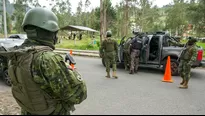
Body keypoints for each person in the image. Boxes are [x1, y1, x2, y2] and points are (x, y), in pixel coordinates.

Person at [2, 8, 87, 115]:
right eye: (55, 32)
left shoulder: (16, 54)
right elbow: (79, 95)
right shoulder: (47, 59)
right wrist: (72, 71)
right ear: (49, 32)